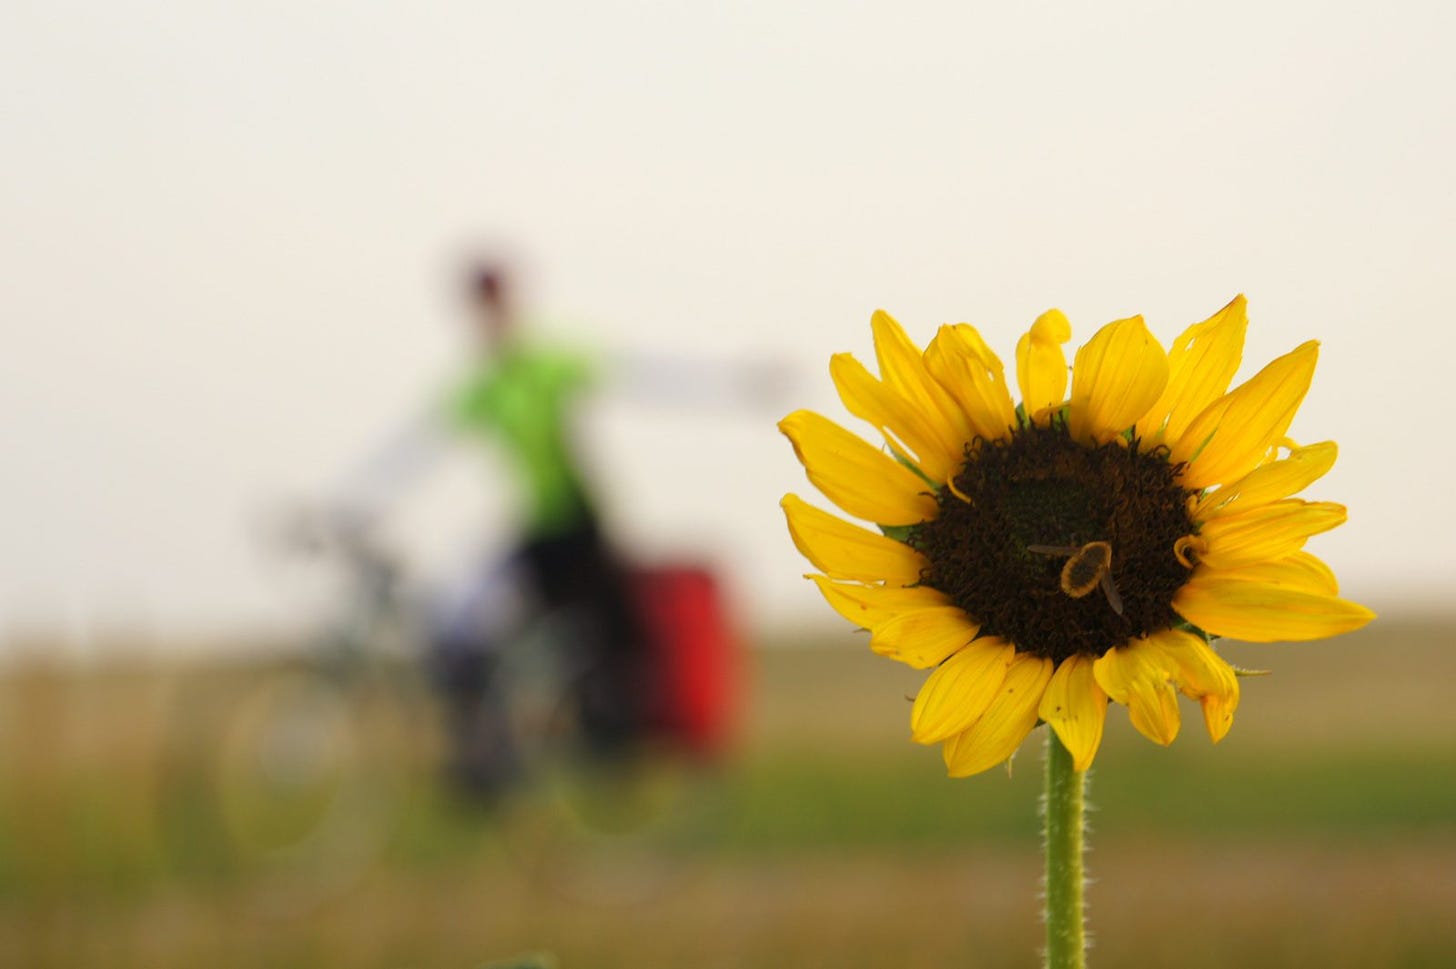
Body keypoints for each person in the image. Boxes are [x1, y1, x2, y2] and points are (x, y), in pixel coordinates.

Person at [429, 264, 650, 792]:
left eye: (497, 303)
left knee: (583, 650)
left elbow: (645, 374)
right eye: (481, 306)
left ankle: (581, 740)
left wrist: (736, 380)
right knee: (462, 630)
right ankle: (489, 757)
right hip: (536, 531)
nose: (491, 316)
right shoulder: (483, 386)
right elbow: (420, 444)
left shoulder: (549, 364)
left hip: (577, 528)